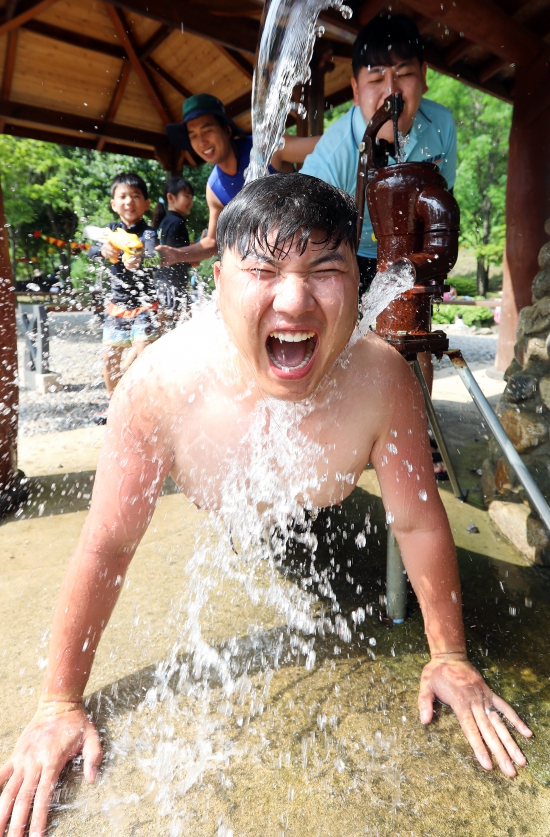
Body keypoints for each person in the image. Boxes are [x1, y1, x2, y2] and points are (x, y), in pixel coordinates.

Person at [0, 175, 531, 837]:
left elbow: (419, 521)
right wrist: (59, 701)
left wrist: (450, 655)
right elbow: (106, 543)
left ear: (357, 285)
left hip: (322, 493)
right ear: (217, 281)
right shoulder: (160, 387)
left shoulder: (378, 378)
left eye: (324, 268)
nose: (294, 297)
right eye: (262, 270)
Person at [301, 12, 456, 426]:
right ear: (355, 89)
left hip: (410, 251)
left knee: (414, 337)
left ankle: (416, 429)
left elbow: (445, 196)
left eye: (403, 75)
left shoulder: (440, 126)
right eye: (375, 80)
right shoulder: (334, 152)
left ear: (423, 77)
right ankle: (347, 428)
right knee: (345, 342)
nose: (391, 92)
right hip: (349, 248)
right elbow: (304, 228)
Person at [156, 93, 320, 267]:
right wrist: (175, 254)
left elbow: (326, 147)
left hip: (309, 251)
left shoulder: (267, 147)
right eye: (193, 135)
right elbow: (213, 241)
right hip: (268, 266)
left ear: (226, 129)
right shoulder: (214, 190)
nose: (202, 142)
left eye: (207, 130)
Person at [88, 172, 158, 425]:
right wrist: (103, 250)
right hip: (117, 308)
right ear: (114, 204)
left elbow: (151, 251)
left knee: (143, 353)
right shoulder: (110, 232)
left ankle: (144, 403)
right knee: (108, 357)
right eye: (123, 197)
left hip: (144, 306)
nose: (129, 201)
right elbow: (91, 251)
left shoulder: (147, 232)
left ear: (146, 204)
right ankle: (113, 403)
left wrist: (140, 258)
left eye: (136, 196)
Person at [152, 176, 194, 325]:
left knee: (159, 327)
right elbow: (178, 258)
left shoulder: (163, 222)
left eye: (191, 197)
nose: (191, 202)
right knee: (188, 326)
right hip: (174, 285)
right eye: (186, 196)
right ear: (171, 197)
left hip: (162, 282)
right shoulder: (177, 223)